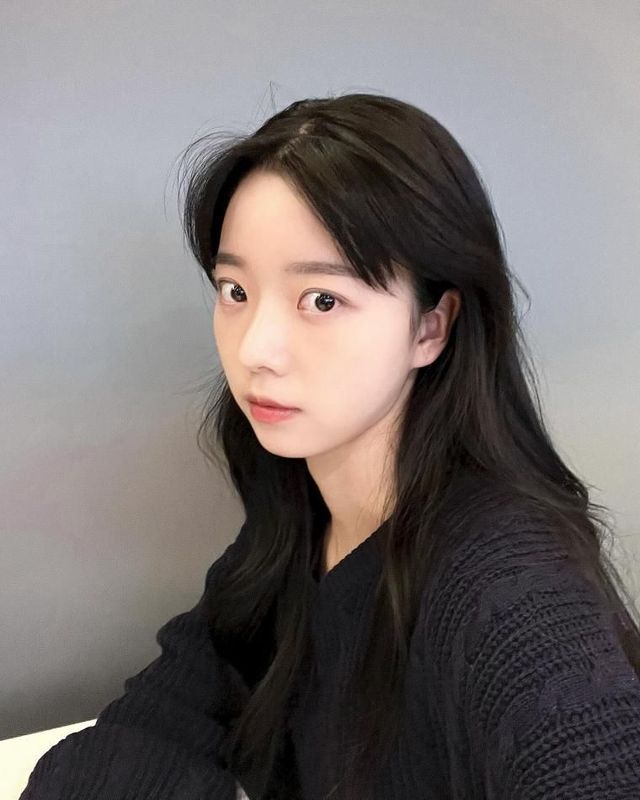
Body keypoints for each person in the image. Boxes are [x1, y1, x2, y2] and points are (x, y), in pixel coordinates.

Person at [20, 92, 640, 800]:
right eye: (234, 290)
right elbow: (149, 727)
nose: (255, 350)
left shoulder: (504, 582)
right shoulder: (298, 517)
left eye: (322, 300)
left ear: (430, 327)